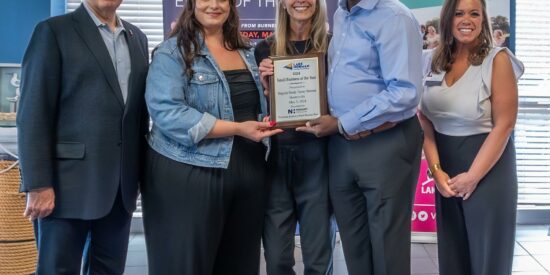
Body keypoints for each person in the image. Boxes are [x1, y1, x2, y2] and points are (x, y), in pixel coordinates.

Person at [141, 0, 282, 274]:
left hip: (247, 172)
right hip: (190, 175)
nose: (215, 5)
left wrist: (268, 94)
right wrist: (238, 128)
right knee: (186, 265)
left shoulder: (246, 51)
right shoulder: (172, 52)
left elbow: (248, 107)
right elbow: (168, 113)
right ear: (192, 4)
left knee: (239, 265)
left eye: (223, 0)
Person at [16, 0, 149, 274]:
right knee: (57, 269)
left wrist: (138, 176)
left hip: (120, 190)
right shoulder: (53, 31)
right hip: (65, 187)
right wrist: (38, 184)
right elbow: (33, 113)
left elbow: (137, 117)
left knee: (109, 269)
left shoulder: (138, 38)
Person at [296, 0, 424, 274]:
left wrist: (344, 122)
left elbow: (405, 92)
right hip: (341, 145)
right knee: (354, 246)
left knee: (387, 249)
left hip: (385, 141)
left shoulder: (394, 17)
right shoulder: (342, 13)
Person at [418, 0, 524, 274]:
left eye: (474, 13)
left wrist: (473, 176)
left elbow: (505, 124)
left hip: (489, 167)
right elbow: (424, 119)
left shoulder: (497, 60)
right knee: (453, 257)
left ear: (483, 19)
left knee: (488, 258)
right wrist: (437, 171)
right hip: (446, 169)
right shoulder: (431, 60)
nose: (467, 20)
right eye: (459, 13)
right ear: (447, 19)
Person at [255, 0, 336, 274]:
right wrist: (267, 90)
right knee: (277, 260)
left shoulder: (331, 46)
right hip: (276, 160)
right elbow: (260, 107)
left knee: (318, 259)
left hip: (318, 159)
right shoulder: (264, 49)